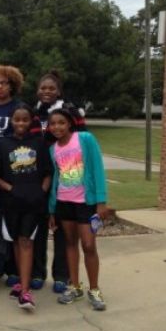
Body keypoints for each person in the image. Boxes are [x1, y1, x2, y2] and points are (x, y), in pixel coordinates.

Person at [0, 65, 41, 281]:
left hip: (13, 173)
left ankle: (12, 267)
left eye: (4, 83)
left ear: (12, 85)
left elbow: (31, 139)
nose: (0, 87)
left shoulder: (19, 108)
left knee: (11, 222)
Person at [0, 104, 53, 310]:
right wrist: (10, 188)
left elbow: (47, 172)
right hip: (11, 202)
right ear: (11, 121)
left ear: (30, 121)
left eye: (25, 119)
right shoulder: (3, 144)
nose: (21, 123)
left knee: (26, 241)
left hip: (33, 204)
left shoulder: (39, 143)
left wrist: (41, 192)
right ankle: (20, 282)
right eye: (17, 119)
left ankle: (25, 292)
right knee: (16, 241)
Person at [48, 108, 108, 311]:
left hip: (86, 202)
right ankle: (74, 286)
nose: (57, 127)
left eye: (61, 123)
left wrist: (101, 201)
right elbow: (56, 178)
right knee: (70, 243)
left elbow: (97, 168)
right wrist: (51, 209)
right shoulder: (52, 149)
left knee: (89, 245)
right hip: (64, 203)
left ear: (70, 124)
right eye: (53, 123)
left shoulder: (85, 139)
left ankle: (95, 289)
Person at [33, 70, 85, 292]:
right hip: (39, 177)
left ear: (59, 91)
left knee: (63, 230)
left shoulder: (71, 111)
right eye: (43, 88)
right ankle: (37, 272)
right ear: (38, 90)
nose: (47, 92)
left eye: (51, 88)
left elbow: (81, 142)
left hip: (66, 176)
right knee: (38, 228)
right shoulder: (33, 113)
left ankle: (62, 276)